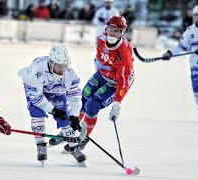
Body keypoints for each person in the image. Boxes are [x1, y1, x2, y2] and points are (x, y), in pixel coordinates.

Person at [18, 43, 86, 165]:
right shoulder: (37, 71)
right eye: (59, 66)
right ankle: (41, 145)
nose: (62, 69)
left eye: (64, 66)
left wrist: (74, 116)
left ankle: (74, 147)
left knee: (64, 116)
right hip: (34, 89)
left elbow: (75, 97)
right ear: (51, 63)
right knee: (37, 113)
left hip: (55, 89)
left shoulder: (70, 73)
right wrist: (52, 110)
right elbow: (36, 98)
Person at [78, 16, 134, 150]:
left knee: (92, 105)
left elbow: (123, 82)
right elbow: (99, 59)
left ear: (122, 32)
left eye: (116, 31)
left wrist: (116, 105)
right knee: (83, 97)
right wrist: (98, 72)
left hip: (117, 81)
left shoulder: (123, 54)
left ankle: (84, 138)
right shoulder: (101, 39)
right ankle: (70, 128)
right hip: (103, 73)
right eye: (109, 29)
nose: (111, 33)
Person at [162, 5, 198, 119]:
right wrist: (170, 53)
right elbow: (181, 47)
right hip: (195, 62)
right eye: (196, 16)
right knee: (197, 86)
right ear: (193, 17)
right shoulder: (189, 31)